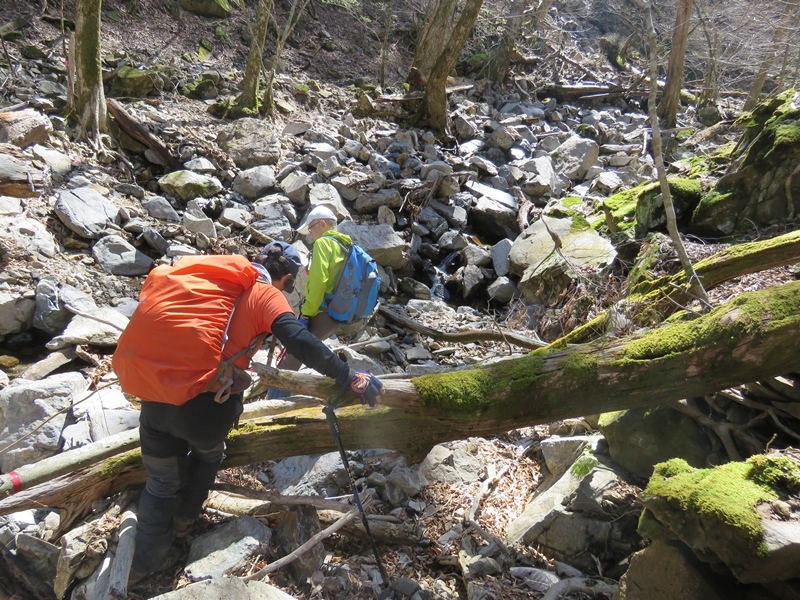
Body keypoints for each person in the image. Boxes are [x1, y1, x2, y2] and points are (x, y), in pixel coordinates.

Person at [128, 241, 384, 585]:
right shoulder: (265, 295)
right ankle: (185, 521)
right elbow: (302, 342)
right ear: (288, 279)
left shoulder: (211, 280)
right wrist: (348, 375)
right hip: (205, 408)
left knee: (160, 482)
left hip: (154, 395)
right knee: (208, 453)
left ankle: (142, 566)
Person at [267, 205, 354, 398]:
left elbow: (318, 283)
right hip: (338, 315)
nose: (310, 236)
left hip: (321, 312)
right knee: (303, 355)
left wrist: (306, 313)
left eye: (311, 229)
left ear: (322, 224)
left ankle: (271, 406)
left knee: (290, 360)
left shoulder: (324, 243)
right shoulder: (345, 245)